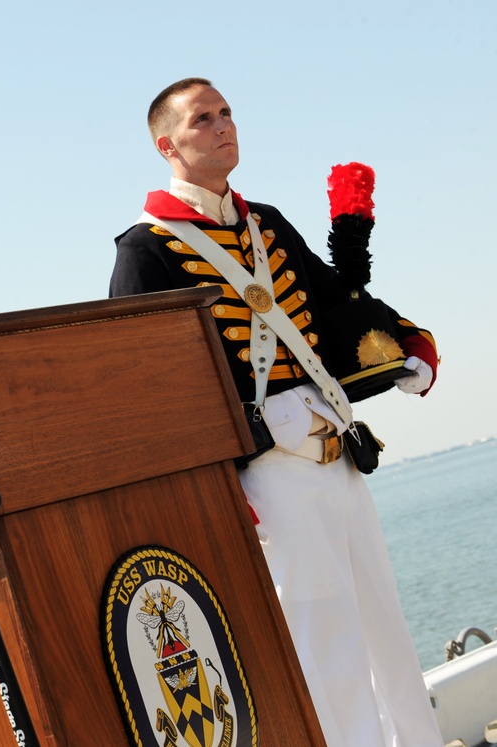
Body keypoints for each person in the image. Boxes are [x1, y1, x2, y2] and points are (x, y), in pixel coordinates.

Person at [109, 77, 443, 746]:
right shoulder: (144, 251)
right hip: (266, 469)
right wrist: (221, 486)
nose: (223, 125)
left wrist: (403, 338)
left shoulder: (265, 221)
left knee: (385, 625)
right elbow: (150, 392)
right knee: (327, 648)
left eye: (227, 112)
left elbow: (328, 298)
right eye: (203, 118)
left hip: (336, 445)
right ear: (165, 144)